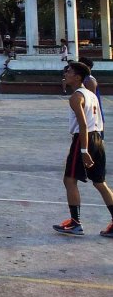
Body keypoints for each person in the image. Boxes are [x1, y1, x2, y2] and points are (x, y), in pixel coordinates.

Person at [52, 62, 113, 238]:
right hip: (97, 138)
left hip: (83, 140)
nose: (66, 73)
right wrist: (95, 144)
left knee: (69, 180)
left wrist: (84, 150)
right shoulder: (91, 95)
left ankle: (75, 223)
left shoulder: (76, 97)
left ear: (78, 77)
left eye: (69, 71)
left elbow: (83, 124)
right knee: (99, 182)